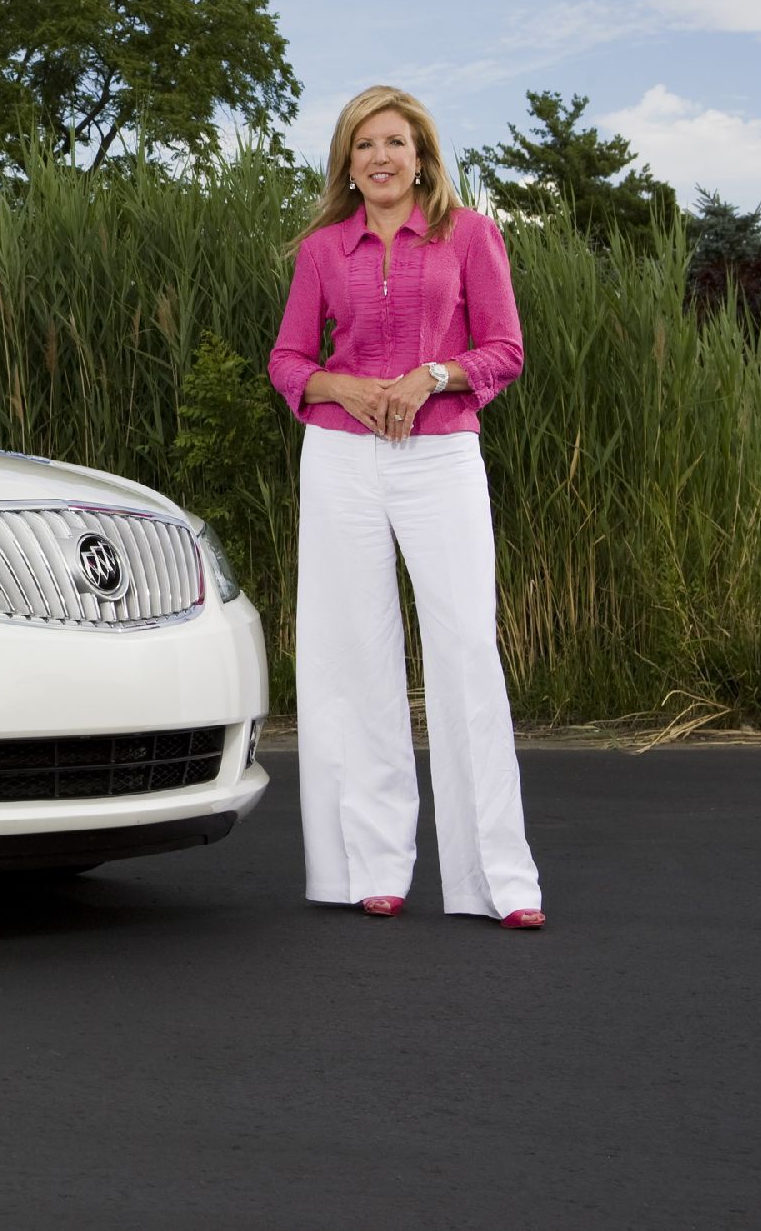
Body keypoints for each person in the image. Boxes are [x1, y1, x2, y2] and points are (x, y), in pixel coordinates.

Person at [267, 85, 545, 929]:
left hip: (441, 453)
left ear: (422, 154)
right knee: (354, 657)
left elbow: (505, 349)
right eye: (363, 146)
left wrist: (432, 374)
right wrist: (338, 383)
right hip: (342, 458)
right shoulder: (321, 249)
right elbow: (286, 360)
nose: (380, 157)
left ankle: (498, 880)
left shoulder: (471, 235)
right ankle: (368, 866)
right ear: (346, 166)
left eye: (394, 142)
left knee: (465, 649)